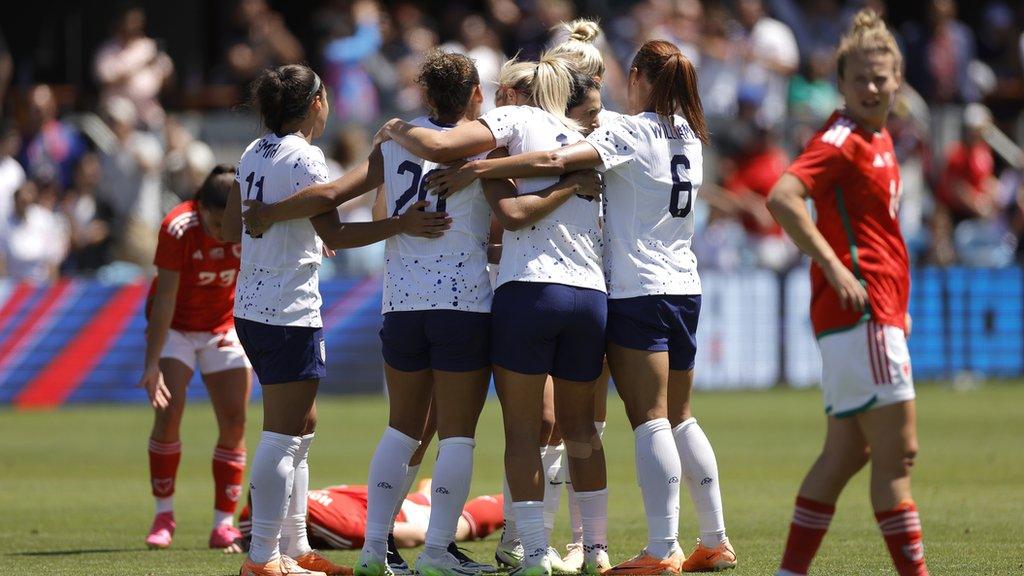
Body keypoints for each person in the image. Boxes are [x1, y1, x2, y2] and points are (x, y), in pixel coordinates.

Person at [422, 39, 737, 574]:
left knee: (647, 420)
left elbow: (551, 159)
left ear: (636, 75)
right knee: (677, 417)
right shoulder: (691, 135)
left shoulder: (628, 130)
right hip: (683, 284)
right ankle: (711, 538)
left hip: (636, 288)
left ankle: (657, 549)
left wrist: (478, 170)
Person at [375, 51, 611, 576]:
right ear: (488, 95)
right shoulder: (577, 136)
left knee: (534, 424)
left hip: (482, 294)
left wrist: (397, 132)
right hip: (511, 296)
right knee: (451, 425)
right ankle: (411, 541)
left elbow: (389, 200)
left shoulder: (507, 135)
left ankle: (517, 544)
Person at [224, 63, 454, 576]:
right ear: (316, 104)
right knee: (283, 433)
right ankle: (262, 558)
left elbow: (230, 225)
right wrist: (401, 224)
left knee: (301, 426)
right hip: (287, 308)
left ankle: (297, 546)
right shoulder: (306, 156)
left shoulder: (250, 152)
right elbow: (337, 222)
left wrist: (288, 230)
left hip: (253, 304)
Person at [765, 10, 929, 576]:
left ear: (899, 77)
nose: (871, 86)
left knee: (847, 453)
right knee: (896, 454)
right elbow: (783, 196)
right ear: (841, 82)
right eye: (859, 77)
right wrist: (835, 268)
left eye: (881, 76)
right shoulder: (842, 139)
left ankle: (790, 572)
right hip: (863, 313)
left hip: (869, 315)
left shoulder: (879, 138)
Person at [138, 165, 253, 552]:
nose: (224, 231)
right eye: (217, 221)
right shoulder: (178, 228)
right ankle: (164, 515)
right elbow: (165, 298)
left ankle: (223, 524)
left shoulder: (249, 218)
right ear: (200, 207)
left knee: (235, 418)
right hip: (177, 328)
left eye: (229, 222)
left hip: (223, 326)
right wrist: (152, 364)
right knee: (169, 413)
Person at [239, 480, 505, 551]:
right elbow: (251, 531)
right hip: (357, 497)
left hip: (382, 511)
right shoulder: (253, 511)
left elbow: (415, 535)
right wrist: (242, 542)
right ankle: (425, 494)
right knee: (420, 501)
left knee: (457, 527)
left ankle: (515, 502)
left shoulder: (344, 528)